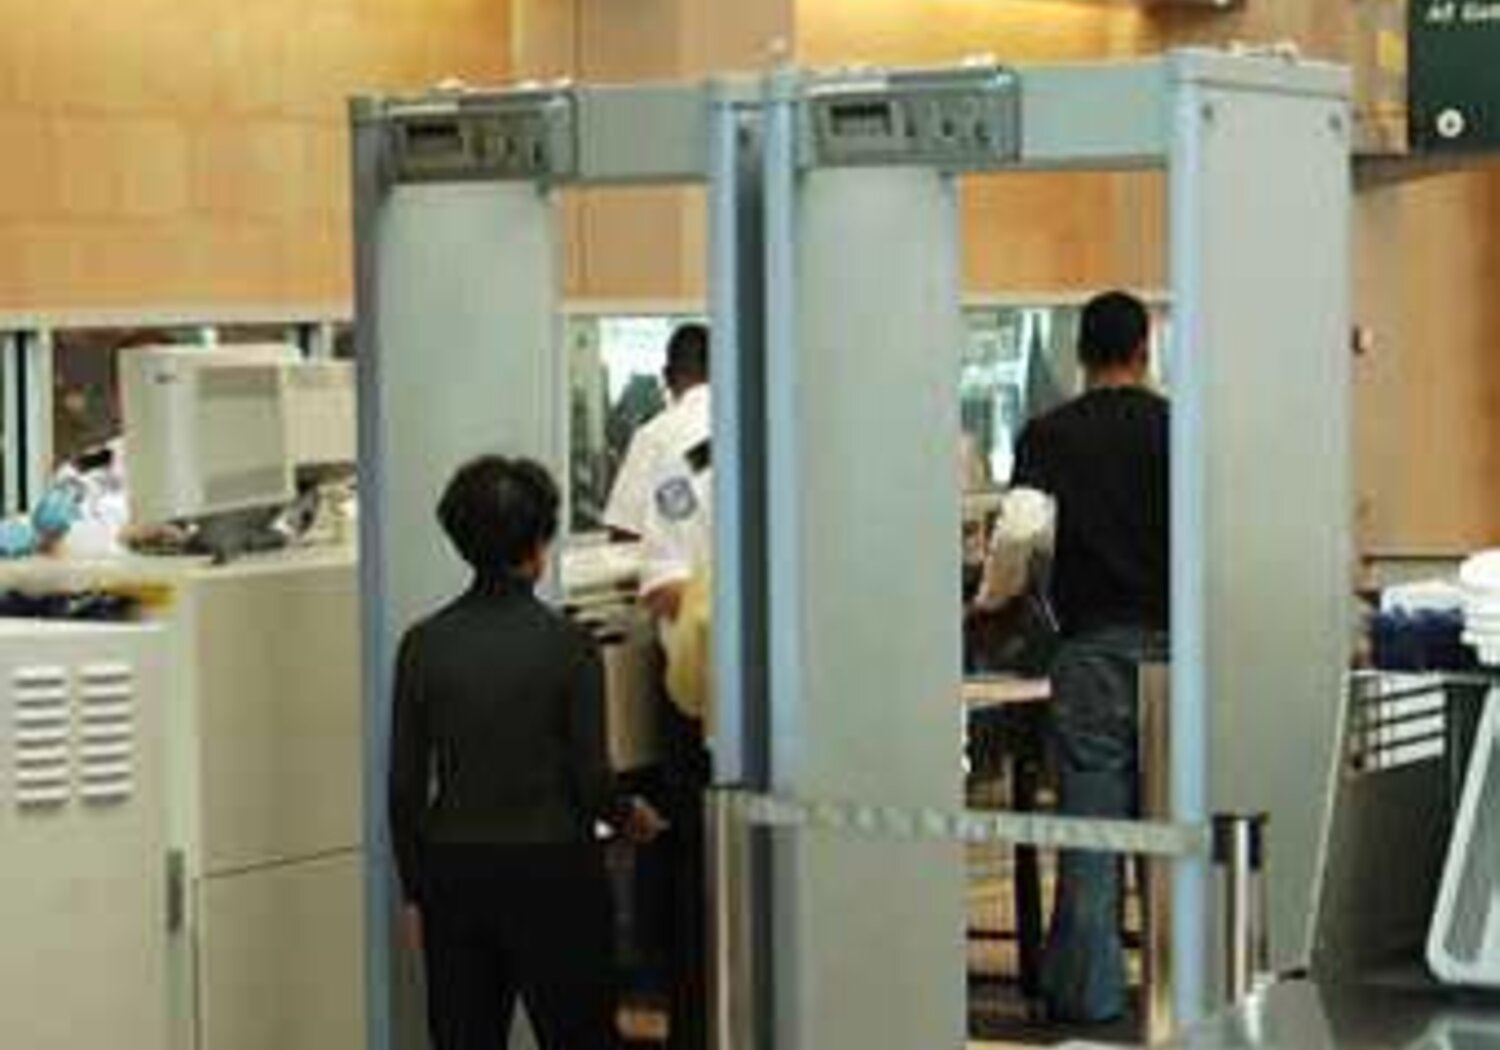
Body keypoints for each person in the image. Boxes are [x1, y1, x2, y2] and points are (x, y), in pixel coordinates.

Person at [388, 456, 665, 1050]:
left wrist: (416, 891)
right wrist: (631, 816)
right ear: (538, 545)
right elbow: (592, 778)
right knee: (578, 1034)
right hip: (555, 870)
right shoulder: (568, 645)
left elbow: (404, 788)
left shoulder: (423, 645)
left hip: (455, 874)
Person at [1012, 291, 1169, 1025]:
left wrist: (992, 601)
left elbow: (1020, 534)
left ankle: (1090, 998)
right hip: (1176, 655)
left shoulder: (1048, 435)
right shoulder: (1178, 429)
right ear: (1144, 349)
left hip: (1092, 651)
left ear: (1079, 354)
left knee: (1091, 830)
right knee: (1176, 829)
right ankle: (1183, 986)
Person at [636, 362, 713, 1050]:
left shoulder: (672, 450)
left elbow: (661, 585)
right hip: (712, 695)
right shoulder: (683, 452)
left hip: (701, 700)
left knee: (696, 876)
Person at [602, 324, 710, 542]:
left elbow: (625, 530)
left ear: (667, 376)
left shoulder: (654, 436)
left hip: (674, 563)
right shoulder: (748, 431)